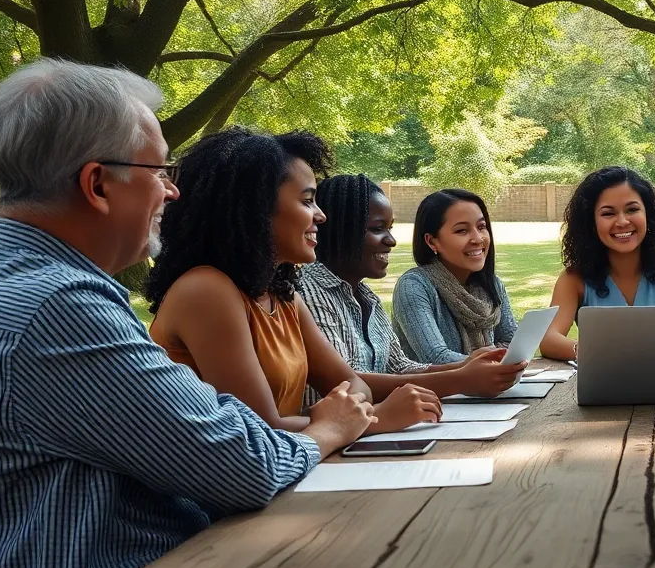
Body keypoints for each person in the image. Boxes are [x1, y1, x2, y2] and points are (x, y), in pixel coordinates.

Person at [0, 60, 374, 568]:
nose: (172, 189)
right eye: (159, 169)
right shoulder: (60, 308)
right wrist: (327, 431)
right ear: (98, 185)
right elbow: (242, 463)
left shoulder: (0, 284)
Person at [146, 129, 492, 435]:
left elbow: (354, 384)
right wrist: (376, 419)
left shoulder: (281, 296)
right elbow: (261, 428)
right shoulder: (206, 290)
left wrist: (358, 412)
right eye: (307, 200)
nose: (320, 215)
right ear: (256, 208)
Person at [300, 175, 523, 398]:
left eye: (390, 228)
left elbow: (399, 367)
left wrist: (468, 366)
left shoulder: (367, 298)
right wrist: (460, 378)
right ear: (341, 229)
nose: (392, 241)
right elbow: (347, 384)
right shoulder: (309, 294)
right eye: (378, 229)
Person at [539, 166, 655, 360]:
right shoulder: (573, 279)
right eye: (608, 213)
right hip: (603, 384)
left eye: (632, 209)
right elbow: (548, 339)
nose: (622, 221)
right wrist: (593, 352)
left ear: (648, 215)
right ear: (591, 222)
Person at [392, 189, 519, 365]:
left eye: (481, 227)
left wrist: (492, 361)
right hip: (432, 391)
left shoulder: (492, 284)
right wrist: (480, 362)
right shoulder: (414, 286)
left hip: (490, 388)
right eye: (462, 231)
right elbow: (435, 358)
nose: (478, 238)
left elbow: (513, 343)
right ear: (432, 241)